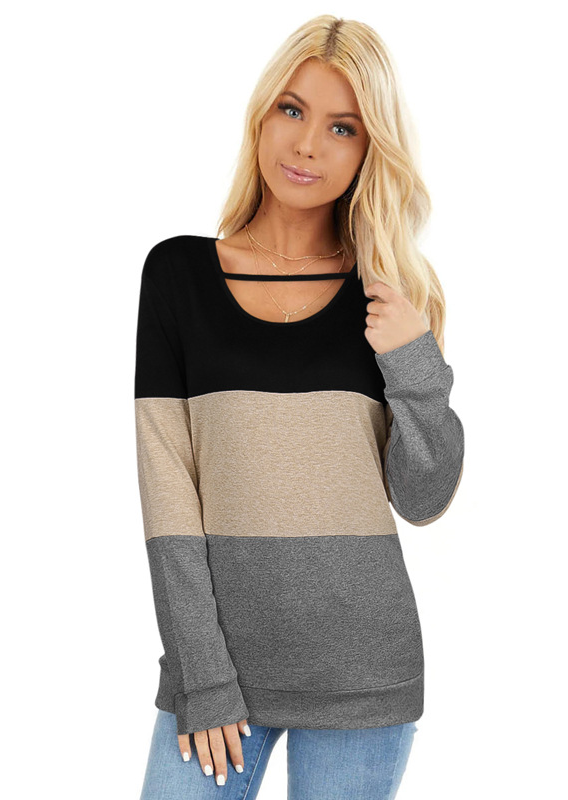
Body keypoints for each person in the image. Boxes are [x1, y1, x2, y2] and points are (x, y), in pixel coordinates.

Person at [134, 15, 465, 799]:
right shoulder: (178, 275)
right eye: (293, 109)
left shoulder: (389, 297)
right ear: (262, 114)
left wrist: (414, 361)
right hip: (217, 676)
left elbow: (424, 498)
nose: (308, 144)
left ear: (369, 149)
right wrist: (204, 675)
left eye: (342, 127)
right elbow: (168, 496)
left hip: (365, 675)